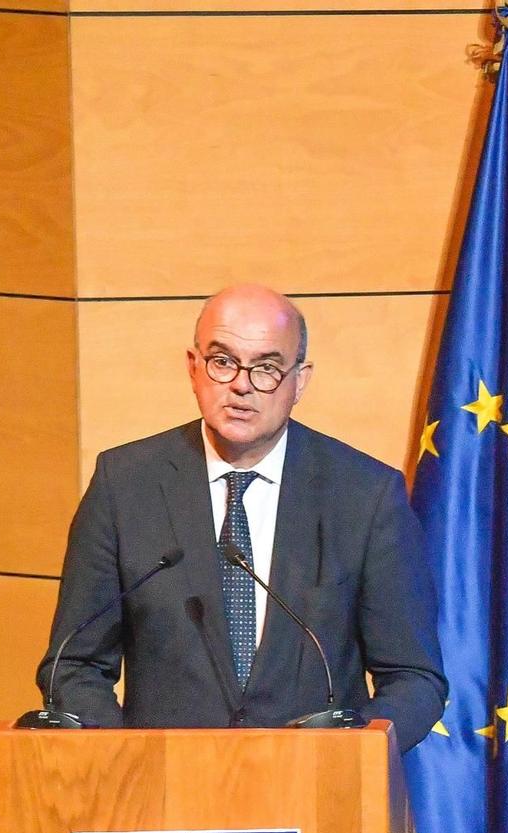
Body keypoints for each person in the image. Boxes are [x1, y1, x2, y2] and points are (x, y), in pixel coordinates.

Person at [37, 284, 446, 750]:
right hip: (164, 801)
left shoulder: (364, 496)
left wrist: (344, 757)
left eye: (267, 368)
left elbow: (414, 680)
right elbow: (74, 665)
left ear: (301, 381)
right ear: (194, 369)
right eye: (222, 361)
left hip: (316, 800)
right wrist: (129, 759)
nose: (242, 384)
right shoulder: (125, 485)